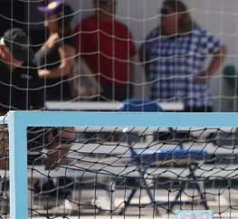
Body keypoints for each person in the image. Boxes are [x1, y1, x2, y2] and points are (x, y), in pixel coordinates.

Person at [0, 29, 69, 173]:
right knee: (4, 134)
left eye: (23, 55)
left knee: (67, 130)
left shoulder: (30, 66)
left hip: (27, 122)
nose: (21, 59)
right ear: (2, 49)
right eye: (17, 55)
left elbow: (38, 103)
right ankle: (9, 185)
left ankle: (46, 179)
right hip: (3, 124)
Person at [141, 0, 227, 112]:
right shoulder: (155, 36)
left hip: (193, 103)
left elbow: (221, 49)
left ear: (179, 15)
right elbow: (142, 52)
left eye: (166, 11)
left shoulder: (197, 35)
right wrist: (150, 74)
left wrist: (208, 74)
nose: (162, 15)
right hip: (162, 103)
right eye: (161, 11)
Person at [75, 0, 137, 101]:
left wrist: (130, 85)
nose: (112, 7)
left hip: (122, 88)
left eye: (114, 3)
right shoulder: (85, 27)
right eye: (108, 3)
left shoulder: (123, 29)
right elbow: (77, 60)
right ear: (96, 4)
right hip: (98, 88)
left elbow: (130, 59)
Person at [35, 1, 77, 102]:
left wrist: (39, 74)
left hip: (58, 98)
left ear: (60, 18)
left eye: (49, 14)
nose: (46, 16)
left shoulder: (64, 39)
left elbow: (66, 69)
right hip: (45, 95)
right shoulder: (52, 37)